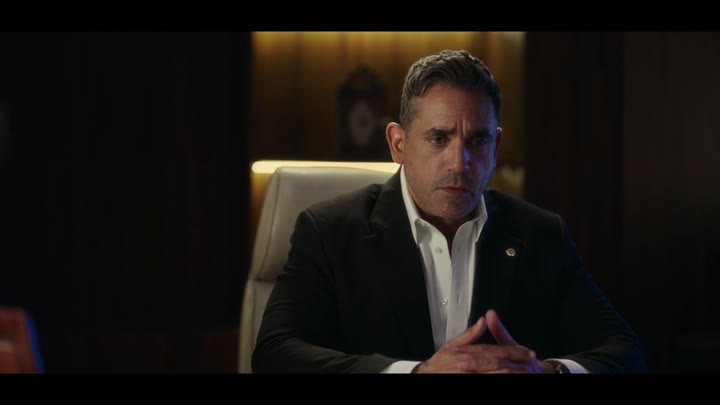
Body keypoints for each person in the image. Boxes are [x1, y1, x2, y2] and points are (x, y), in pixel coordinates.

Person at [252, 49, 648, 373]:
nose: (459, 163)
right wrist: (414, 374)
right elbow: (275, 354)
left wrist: (543, 371)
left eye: (477, 141)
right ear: (398, 144)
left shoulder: (540, 234)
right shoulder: (329, 231)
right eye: (439, 138)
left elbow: (625, 352)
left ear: (496, 146)